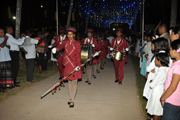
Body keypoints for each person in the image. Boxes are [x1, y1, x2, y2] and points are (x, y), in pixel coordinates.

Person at [52, 27, 81, 108]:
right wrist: (56, 49)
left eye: (71, 34)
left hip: (74, 64)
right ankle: (70, 97)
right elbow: (60, 46)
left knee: (74, 81)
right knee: (69, 81)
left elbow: (78, 55)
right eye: (68, 34)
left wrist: (78, 65)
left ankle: (72, 99)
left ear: (74, 35)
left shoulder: (77, 43)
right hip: (67, 63)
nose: (69, 36)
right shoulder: (65, 42)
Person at [146, 53, 170, 120]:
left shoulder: (160, 72)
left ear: (159, 61)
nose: (154, 61)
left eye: (155, 59)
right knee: (159, 110)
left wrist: (151, 81)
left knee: (156, 111)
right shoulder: (166, 69)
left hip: (157, 92)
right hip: (162, 89)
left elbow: (152, 84)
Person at [161, 39, 180, 120]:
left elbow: (173, 87)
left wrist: (163, 98)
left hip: (172, 102)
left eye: (170, 50)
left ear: (175, 51)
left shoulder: (177, 66)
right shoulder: (176, 64)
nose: (169, 52)